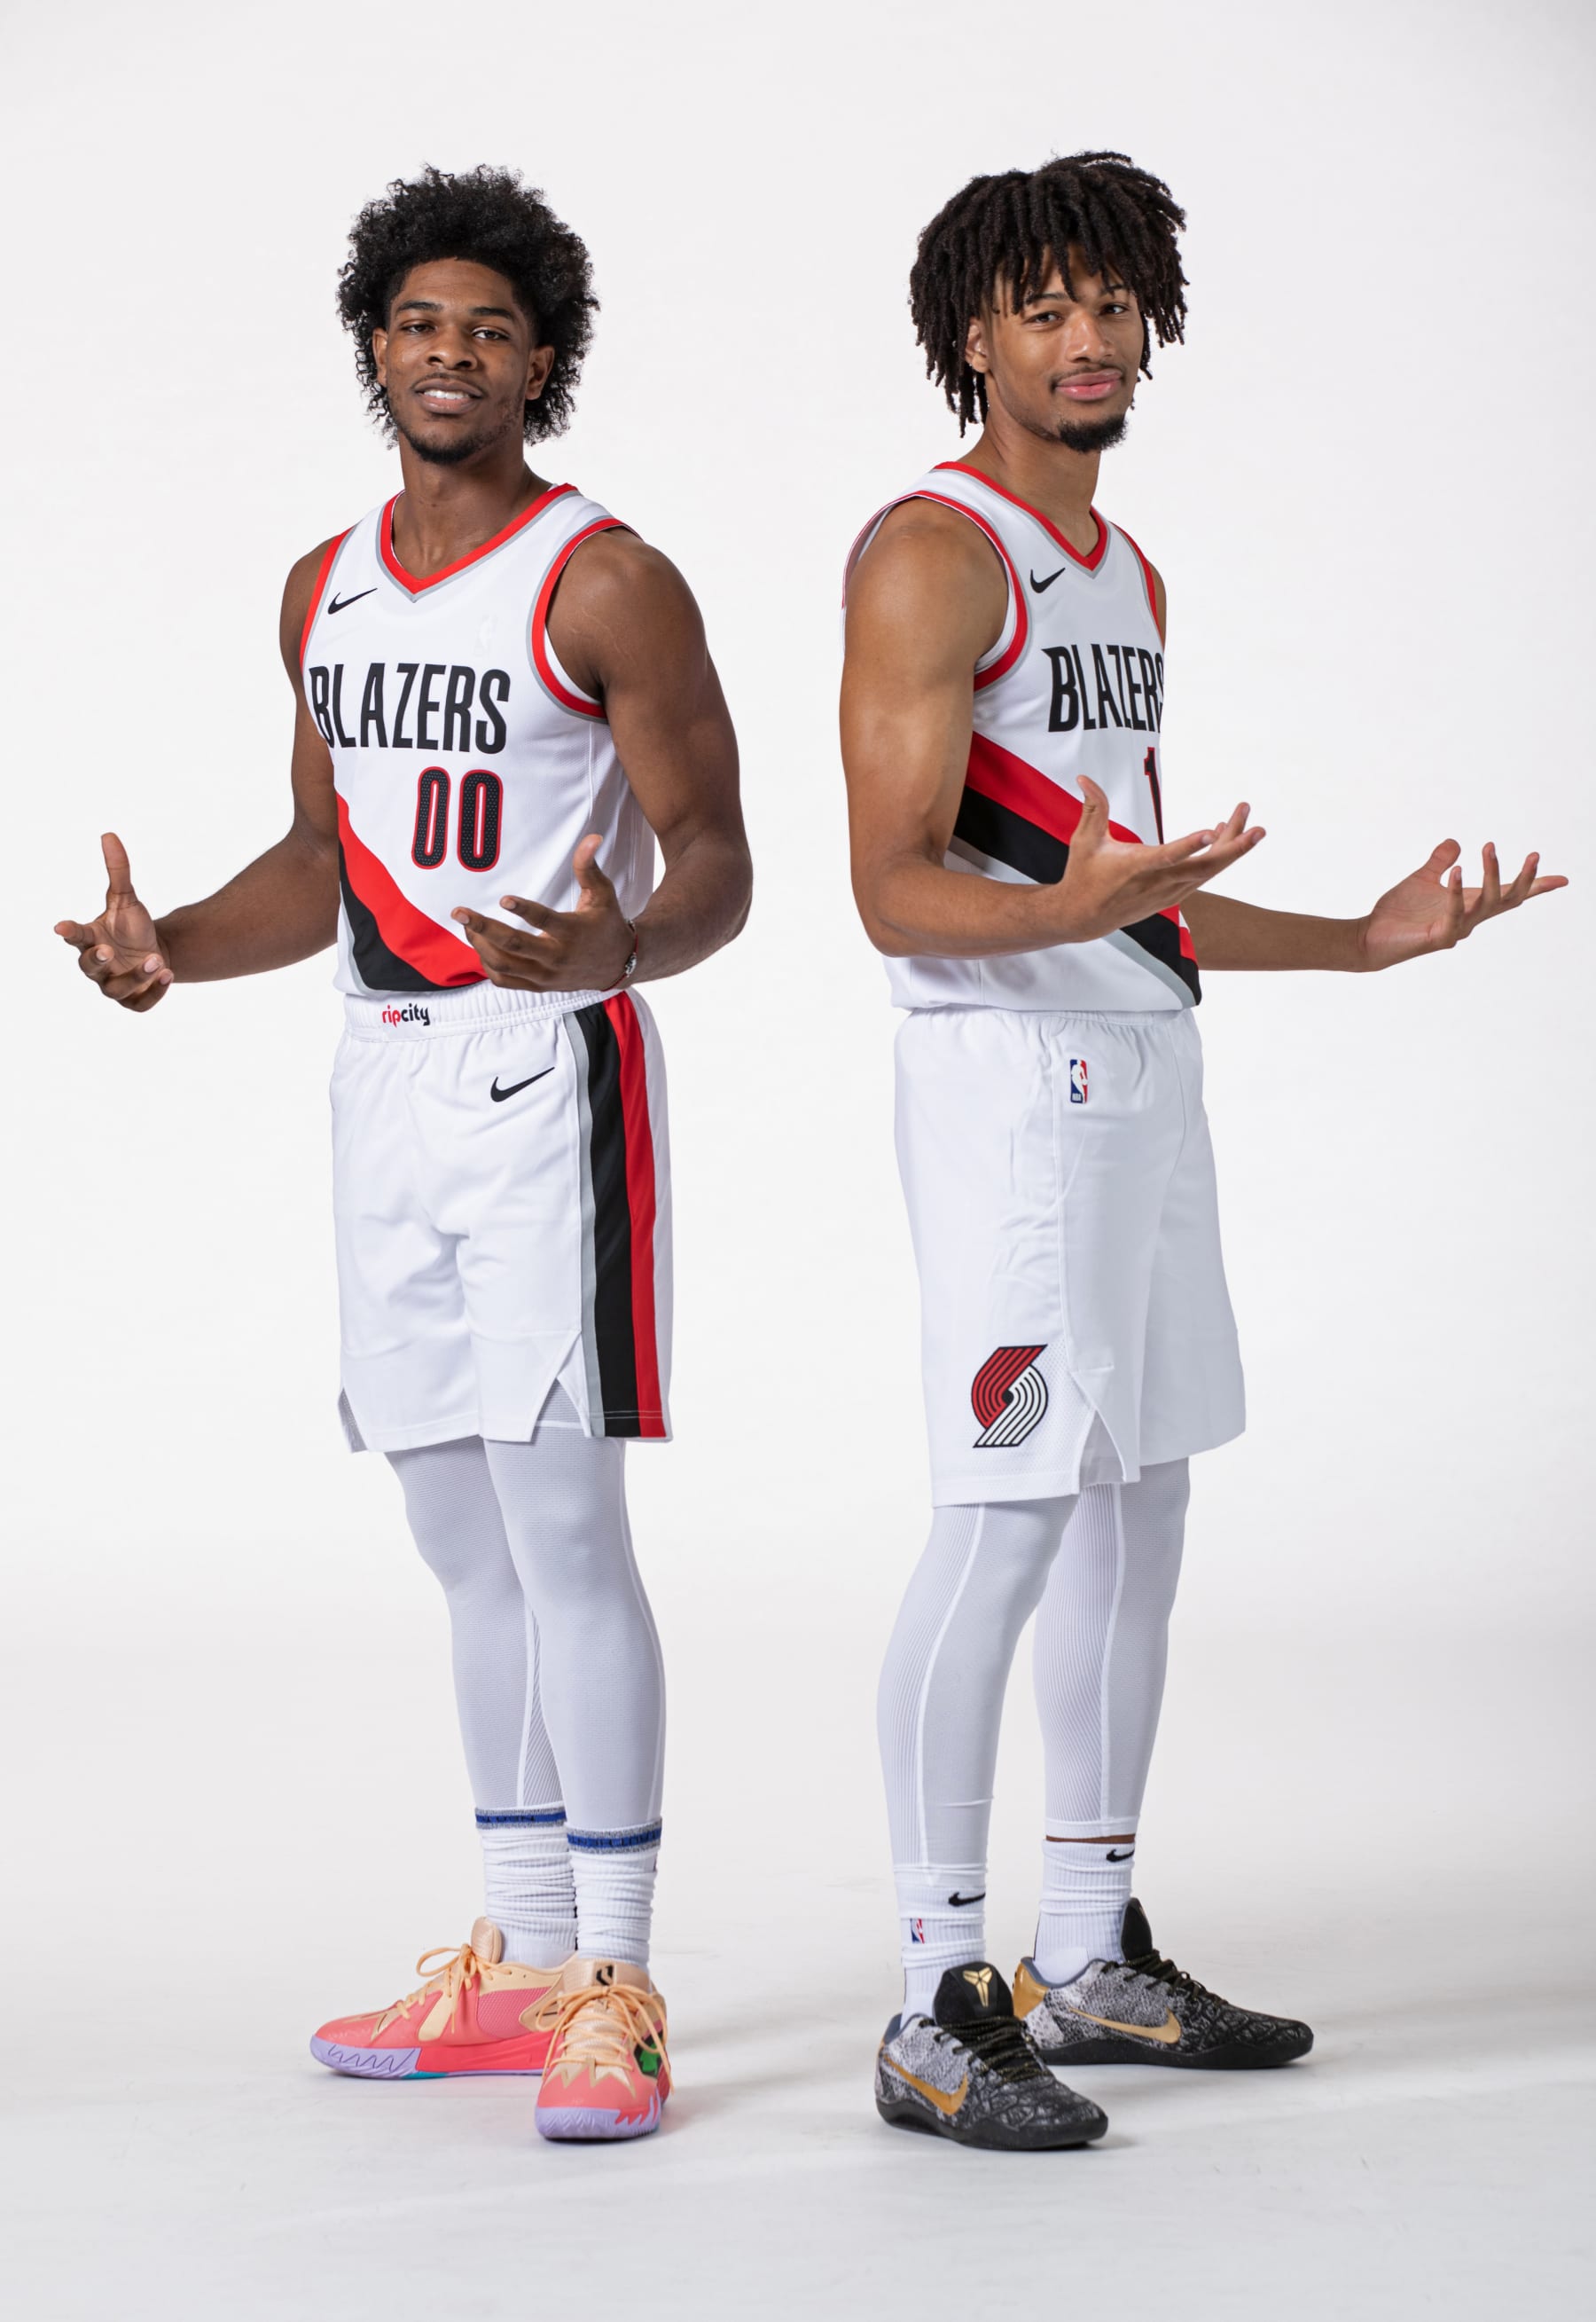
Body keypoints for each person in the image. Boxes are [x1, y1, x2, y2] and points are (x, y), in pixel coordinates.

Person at [840, 150, 1564, 2151]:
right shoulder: (934, 552)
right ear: (974, 334)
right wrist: (1081, 910)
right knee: (1003, 1516)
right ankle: (931, 1996)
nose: (1087, 337)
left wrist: (1361, 938)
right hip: (1009, 1089)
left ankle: (1087, 1951)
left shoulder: (1125, 569)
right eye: (1045, 308)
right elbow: (892, 887)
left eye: (1113, 304)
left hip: (1142, 1071)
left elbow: (1125, 896)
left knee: (1140, 1503)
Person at [54, 164, 750, 2144]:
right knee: (457, 1536)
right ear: (376, 344)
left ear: (543, 363)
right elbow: (319, 857)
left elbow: (721, 856)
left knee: (564, 1527)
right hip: (381, 1071)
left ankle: (619, 1972)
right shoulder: (324, 585)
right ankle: (518, 1954)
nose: (452, 354)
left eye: (492, 330)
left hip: (548, 1067)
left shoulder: (606, 579)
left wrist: (628, 943)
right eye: (422, 323)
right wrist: (174, 949)